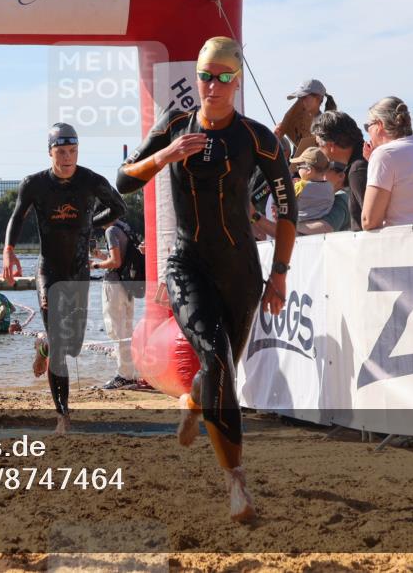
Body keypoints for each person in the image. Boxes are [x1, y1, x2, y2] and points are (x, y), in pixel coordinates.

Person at [116, 36, 296, 522]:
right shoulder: (176, 125)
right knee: (217, 360)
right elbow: (123, 179)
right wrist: (165, 156)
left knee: (221, 372)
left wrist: (279, 274)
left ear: (236, 82)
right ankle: (236, 483)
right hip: (187, 265)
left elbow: (288, 210)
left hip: (240, 271)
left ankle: (194, 398)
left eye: (222, 78)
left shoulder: (257, 138)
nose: (211, 86)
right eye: (204, 76)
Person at [1, 122, 127, 434]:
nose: (67, 158)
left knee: (72, 344)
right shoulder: (35, 184)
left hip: (79, 271)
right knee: (61, 345)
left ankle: (43, 346)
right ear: (50, 153)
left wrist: (89, 223)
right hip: (49, 270)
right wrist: (8, 250)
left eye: (72, 151)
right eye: (61, 152)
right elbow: (17, 215)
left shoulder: (90, 181)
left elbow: (119, 206)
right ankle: (63, 416)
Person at [361, 97, 413, 229]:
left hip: (402, 242)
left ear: (379, 125)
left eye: (367, 126)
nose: (367, 132)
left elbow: (369, 220)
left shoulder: (384, 154)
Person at [90, 219, 138, 389]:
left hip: (114, 285)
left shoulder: (110, 231)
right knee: (127, 330)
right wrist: (101, 256)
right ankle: (131, 374)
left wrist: (94, 265)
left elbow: (115, 263)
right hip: (128, 285)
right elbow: (120, 259)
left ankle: (123, 376)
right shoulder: (125, 227)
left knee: (116, 331)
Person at [310, 110, 368, 231]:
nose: (318, 150)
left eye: (319, 145)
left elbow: (370, 219)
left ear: (331, 145)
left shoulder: (358, 169)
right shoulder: (362, 161)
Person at [274, 79, 335, 160]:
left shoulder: (326, 125)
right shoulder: (297, 121)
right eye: (299, 98)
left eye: (304, 97)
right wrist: (277, 134)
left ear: (318, 98)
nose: (301, 101)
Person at [289, 147, 335, 220]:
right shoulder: (330, 186)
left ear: (308, 170)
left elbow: (287, 201)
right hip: (320, 222)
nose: (297, 169)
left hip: (299, 222)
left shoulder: (301, 185)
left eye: (298, 166)